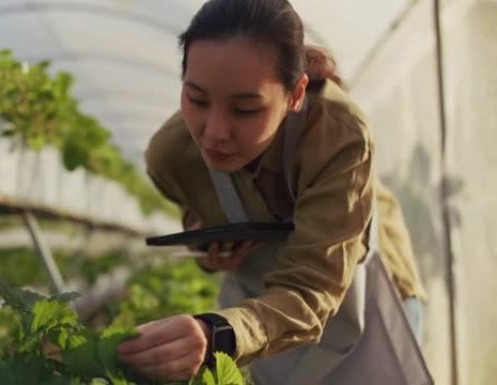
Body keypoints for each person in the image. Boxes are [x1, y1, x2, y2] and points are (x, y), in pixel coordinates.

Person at [117, 0, 432, 384]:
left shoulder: (337, 134)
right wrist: (211, 249)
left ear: (296, 93)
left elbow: (313, 286)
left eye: (246, 109)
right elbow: (200, 215)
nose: (215, 132)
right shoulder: (171, 157)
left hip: (367, 300)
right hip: (271, 315)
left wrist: (217, 334)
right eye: (197, 100)